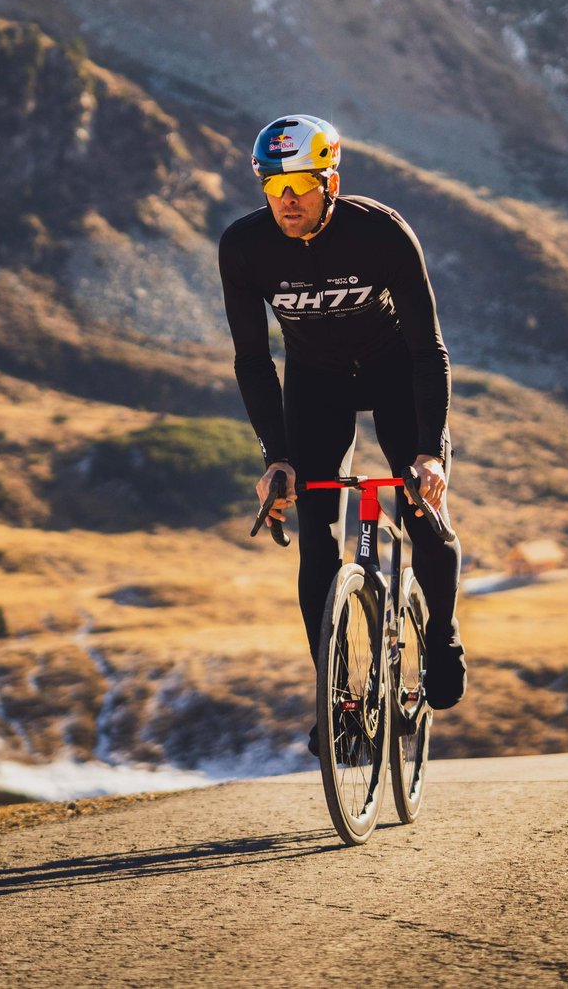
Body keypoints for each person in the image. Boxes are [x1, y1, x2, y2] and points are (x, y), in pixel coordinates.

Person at [217, 114, 466, 744]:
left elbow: (428, 350)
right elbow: (253, 361)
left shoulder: (380, 233)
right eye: (274, 187)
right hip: (316, 384)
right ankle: (335, 698)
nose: (287, 200)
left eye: (301, 184)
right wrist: (277, 459)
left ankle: (442, 635)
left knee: (420, 510)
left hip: (394, 373)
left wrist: (429, 454)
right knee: (318, 537)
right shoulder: (244, 247)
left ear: (330, 182)